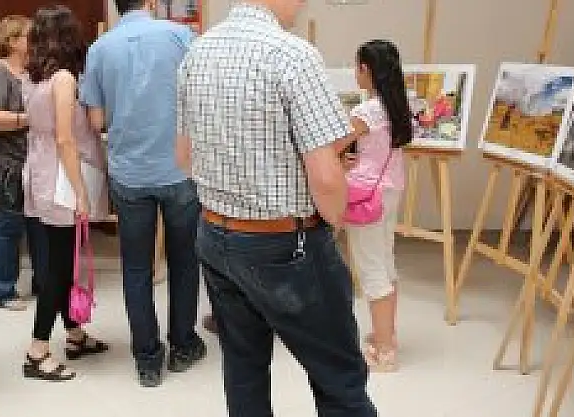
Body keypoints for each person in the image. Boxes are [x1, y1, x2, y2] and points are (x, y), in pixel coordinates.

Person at [177, 1, 377, 415]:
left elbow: (184, 157)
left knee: (243, 369)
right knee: (339, 377)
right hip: (285, 243)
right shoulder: (294, 55)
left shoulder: (197, 51)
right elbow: (325, 176)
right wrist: (334, 220)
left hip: (215, 234)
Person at [79, 0, 205, 387]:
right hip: (179, 169)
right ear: (151, 2)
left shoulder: (100, 48)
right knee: (185, 261)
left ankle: (147, 360)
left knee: (136, 268)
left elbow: (96, 119)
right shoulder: (182, 36)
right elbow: (203, 95)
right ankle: (183, 345)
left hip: (130, 173)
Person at [22, 5, 109, 381]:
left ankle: (74, 334)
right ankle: (37, 350)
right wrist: (81, 193)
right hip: (62, 178)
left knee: (62, 259)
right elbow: (65, 139)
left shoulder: (35, 78)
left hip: (42, 173)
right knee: (58, 269)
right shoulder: (63, 80)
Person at [343, 40, 413, 373]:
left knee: (371, 268)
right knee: (385, 262)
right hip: (390, 191)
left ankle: (384, 351)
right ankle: (387, 334)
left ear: (365, 69)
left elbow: (335, 143)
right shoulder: (397, 105)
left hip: (364, 195)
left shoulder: (367, 111)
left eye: (356, 67)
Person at [0, 15, 48, 310]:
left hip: (31, 162)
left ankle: (43, 283)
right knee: (8, 224)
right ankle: (3, 291)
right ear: (12, 41)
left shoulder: (33, 72)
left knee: (38, 224)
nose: (36, 39)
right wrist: (27, 119)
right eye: (29, 35)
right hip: (4, 164)